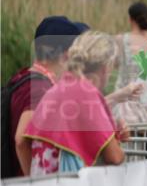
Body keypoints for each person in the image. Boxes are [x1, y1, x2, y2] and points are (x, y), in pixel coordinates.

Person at [21, 31, 129, 175]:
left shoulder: (59, 87)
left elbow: (23, 142)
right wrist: (118, 144)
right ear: (105, 67)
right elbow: (115, 157)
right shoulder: (86, 92)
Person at [4, 16, 87, 178]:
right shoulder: (40, 89)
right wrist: (33, 180)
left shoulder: (22, 77)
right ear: (67, 54)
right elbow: (21, 139)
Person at [112, 2, 147, 149]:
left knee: (124, 145)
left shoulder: (121, 39)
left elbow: (114, 64)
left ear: (130, 19)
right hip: (145, 100)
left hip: (123, 100)